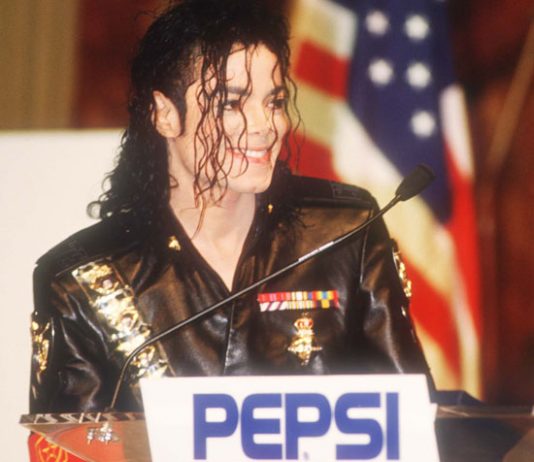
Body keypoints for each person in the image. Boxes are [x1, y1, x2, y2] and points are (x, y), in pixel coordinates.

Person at [29, 0, 432, 418]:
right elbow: (71, 443)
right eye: (231, 104)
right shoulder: (81, 280)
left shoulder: (346, 231)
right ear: (165, 115)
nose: (265, 126)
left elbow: (416, 420)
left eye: (274, 102)